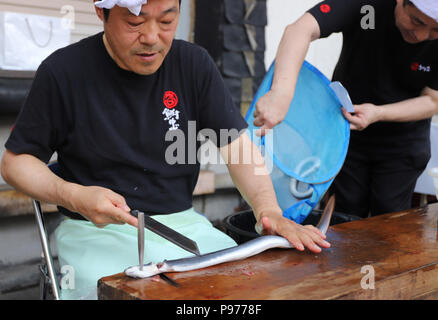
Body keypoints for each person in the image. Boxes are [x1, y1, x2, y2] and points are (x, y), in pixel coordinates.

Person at [0, 0, 329, 299]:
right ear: (101, 13)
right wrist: (73, 195)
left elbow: (237, 146)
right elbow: (16, 162)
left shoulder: (193, 64)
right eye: (135, 23)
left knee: (244, 287)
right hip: (95, 231)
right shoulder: (63, 72)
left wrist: (268, 209)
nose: (152, 38)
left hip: (182, 226)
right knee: (109, 292)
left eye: (168, 21)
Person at [254, 0, 438, 219]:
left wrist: (379, 113)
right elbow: (300, 29)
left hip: (403, 143)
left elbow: (433, 101)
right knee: (343, 217)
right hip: (344, 135)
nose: (421, 35)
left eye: (435, 29)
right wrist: (281, 92)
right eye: (416, 21)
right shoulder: (366, 6)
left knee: (389, 220)